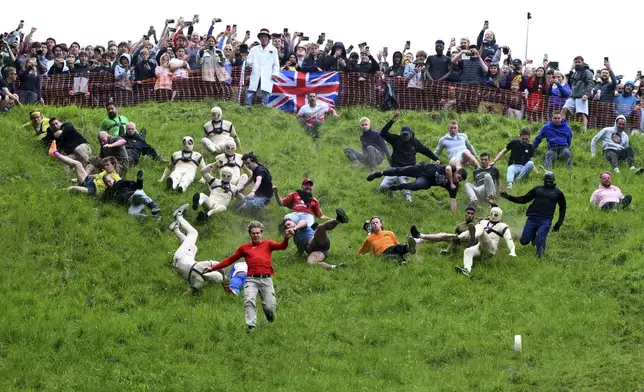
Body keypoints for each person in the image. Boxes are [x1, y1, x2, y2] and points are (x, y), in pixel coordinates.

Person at [203, 221, 292, 333]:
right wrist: (213, 268)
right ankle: (251, 326)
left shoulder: (268, 244)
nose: (255, 235)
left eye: (258, 233)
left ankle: (270, 315)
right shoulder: (244, 248)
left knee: (269, 307)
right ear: (250, 234)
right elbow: (230, 260)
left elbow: (282, 246)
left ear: (261, 233)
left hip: (266, 279)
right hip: (251, 279)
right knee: (249, 300)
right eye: (253, 233)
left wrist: (287, 238)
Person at [377, 112, 441, 203]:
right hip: (394, 168)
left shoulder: (415, 143)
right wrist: (392, 121)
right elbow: (382, 133)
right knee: (383, 187)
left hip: (408, 170)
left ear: (410, 134)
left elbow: (426, 151)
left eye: (407, 134)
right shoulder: (396, 139)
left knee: (400, 177)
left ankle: (408, 199)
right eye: (403, 134)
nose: (405, 136)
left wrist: (436, 158)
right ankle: (391, 195)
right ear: (401, 134)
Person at [500, 171, 566, 257]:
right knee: (523, 241)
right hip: (532, 218)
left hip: (546, 219)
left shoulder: (558, 193)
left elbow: (563, 207)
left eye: (550, 180)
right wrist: (509, 197)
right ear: (543, 180)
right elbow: (524, 199)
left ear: (553, 180)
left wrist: (559, 223)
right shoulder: (538, 189)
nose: (548, 181)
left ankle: (539, 256)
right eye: (546, 179)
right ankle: (533, 237)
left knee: (541, 238)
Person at [167, 204, 225, 296]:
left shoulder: (204, 266)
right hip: (176, 264)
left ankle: (178, 215)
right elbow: (185, 295)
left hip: (181, 256)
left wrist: (223, 275)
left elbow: (218, 264)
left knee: (193, 233)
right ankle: (175, 228)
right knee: (194, 248)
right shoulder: (200, 284)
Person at [367, 164, 467, 213]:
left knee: (415, 186)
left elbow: (453, 200)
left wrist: (453, 215)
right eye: (458, 178)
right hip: (422, 169)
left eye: (460, 180)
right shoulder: (452, 169)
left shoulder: (454, 186)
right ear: (456, 173)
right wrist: (450, 182)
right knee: (401, 171)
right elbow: (448, 169)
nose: (457, 181)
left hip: (426, 181)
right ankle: (380, 173)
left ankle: (397, 187)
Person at [454, 206, 516, 277]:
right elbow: (469, 231)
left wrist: (512, 251)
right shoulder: (483, 222)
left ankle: (474, 236)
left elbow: (509, 239)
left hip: (491, 248)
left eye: (495, 215)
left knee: (480, 228)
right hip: (480, 248)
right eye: (491, 214)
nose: (493, 216)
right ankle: (467, 270)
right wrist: (459, 236)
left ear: (500, 216)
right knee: (467, 251)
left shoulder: (502, 226)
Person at [283, 208, 349, 270]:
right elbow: (300, 251)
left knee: (320, 227)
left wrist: (295, 228)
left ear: (294, 222)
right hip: (319, 251)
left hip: (317, 241)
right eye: (286, 227)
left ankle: (338, 220)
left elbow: (304, 222)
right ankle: (335, 267)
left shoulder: (301, 225)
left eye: (288, 224)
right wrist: (292, 257)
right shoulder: (295, 239)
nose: (288, 226)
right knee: (310, 262)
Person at [48, 141, 120, 195]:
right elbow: (95, 176)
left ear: (113, 165)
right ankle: (54, 153)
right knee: (78, 164)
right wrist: (77, 178)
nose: (105, 167)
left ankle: (54, 193)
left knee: (73, 188)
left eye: (107, 165)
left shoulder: (117, 179)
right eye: (104, 165)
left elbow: (115, 190)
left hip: (93, 190)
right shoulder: (106, 172)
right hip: (90, 182)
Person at [411, 203, 481, 254]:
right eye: (468, 213)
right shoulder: (460, 226)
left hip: (473, 242)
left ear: (474, 215)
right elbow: (455, 239)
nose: (470, 215)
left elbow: (490, 218)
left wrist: (492, 203)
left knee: (445, 235)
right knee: (441, 235)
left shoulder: (478, 221)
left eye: (472, 214)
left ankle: (419, 237)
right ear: (465, 213)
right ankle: (418, 239)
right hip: (460, 241)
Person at [358, 216, 426, 265]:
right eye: (373, 223)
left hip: (392, 249)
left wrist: (401, 246)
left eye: (377, 222)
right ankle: (408, 248)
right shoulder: (369, 238)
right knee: (395, 251)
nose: (375, 224)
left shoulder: (389, 233)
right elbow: (361, 251)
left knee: (396, 250)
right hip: (381, 253)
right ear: (371, 226)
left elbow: (397, 243)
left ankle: (406, 254)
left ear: (381, 224)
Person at [246, 29, 280, 106]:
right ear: (259, 38)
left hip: (267, 74)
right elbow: (249, 59)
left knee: (266, 91)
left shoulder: (273, 49)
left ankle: (263, 108)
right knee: (251, 90)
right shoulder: (254, 49)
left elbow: (276, 63)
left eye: (265, 37)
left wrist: (275, 73)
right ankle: (247, 106)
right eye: (262, 37)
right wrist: (250, 64)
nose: (263, 38)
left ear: (268, 38)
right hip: (256, 72)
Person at [563, 56, 594, 131]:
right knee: (564, 109)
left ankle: (584, 132)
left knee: (582, 114)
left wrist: (586, 94)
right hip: (572, 96)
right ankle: (561, 128)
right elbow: (570, 83)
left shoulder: (587, 72)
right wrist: (571, 69)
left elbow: (591, 83)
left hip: (581, 96)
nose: (577, 64)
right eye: (576, 62)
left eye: (579, 62)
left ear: (582, 62)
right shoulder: (575, 73)